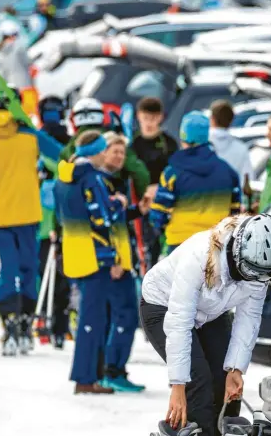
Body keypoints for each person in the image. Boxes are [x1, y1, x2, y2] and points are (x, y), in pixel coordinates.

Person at [140, 214, 271, 436]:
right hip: (163, 305)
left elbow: (249, 319)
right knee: (198, 382)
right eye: (248, 272)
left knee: (226, 386)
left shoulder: (260, 269)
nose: (252, 280)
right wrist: (179, 385)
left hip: (210, 310)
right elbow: (179, 321)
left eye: (259, 276)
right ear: (237, 251)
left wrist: (236, 369)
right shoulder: (199, 257)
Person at [0, 88, 63, 357]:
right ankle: (24, 319)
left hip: (1, 216)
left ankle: (9, 319)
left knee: (7, 269)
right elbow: (60, 153)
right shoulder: (30, 138)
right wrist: (33, 133)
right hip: (28, 214)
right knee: (28, 269)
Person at [54, 130, 128, 395]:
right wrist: (118, 203)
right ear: (96, 152)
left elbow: (63, 216)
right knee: (92, 319)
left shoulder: (63, 176)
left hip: (74, 252)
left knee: (89, 316)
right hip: (96, 256)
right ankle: (86, 378)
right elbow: (102, 219)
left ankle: (88, 375)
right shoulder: (92, 178)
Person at [98, 131, 149, 392]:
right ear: (102, 152)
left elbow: (117, 219)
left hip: (122, 258)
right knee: (124, 316)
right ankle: (112, 370)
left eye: (122, 152)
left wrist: (137, 211)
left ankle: (112, 368)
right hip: (113, 262)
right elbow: (102, 225)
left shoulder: (115, 181)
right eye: (113, 151)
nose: (118, 156)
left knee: (120, 316)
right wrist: (114, 259)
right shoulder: (99, 182)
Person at [149, 111, 241, 255]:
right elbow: (235, 214)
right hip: (215, 245)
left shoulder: (172, 172)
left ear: (183, 137)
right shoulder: (229, 172)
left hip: (180, 244)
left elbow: (158, 214)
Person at [37, 96, 71, 348]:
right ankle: (57, 323)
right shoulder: (66, 143)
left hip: (49, 219)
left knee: (52, 271)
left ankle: (56, 323)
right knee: (57, 273)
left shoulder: (40, 141)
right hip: (50, 218)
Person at [131, 97, 178, 266]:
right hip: (140, 205)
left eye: (153, 118)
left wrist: (160, 188)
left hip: (163, 203)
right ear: (138, 116)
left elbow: (176, 173)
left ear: (160, 117)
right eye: (145, 118)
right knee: (144, 251)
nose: (149, 123)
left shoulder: (168, 143)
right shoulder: (133, 145)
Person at [0, 21, 38, 118]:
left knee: (18, 115)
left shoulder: (0, 52)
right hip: (26, 86)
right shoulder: (18, 47)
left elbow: (2, 73)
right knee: (31, 115)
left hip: (12, 90)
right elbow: (28, 62)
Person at [208, 100, 253, 185]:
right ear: (231, 120)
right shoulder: (241, 148)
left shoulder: (198, 145)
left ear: (212, 119)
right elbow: (247, 180)